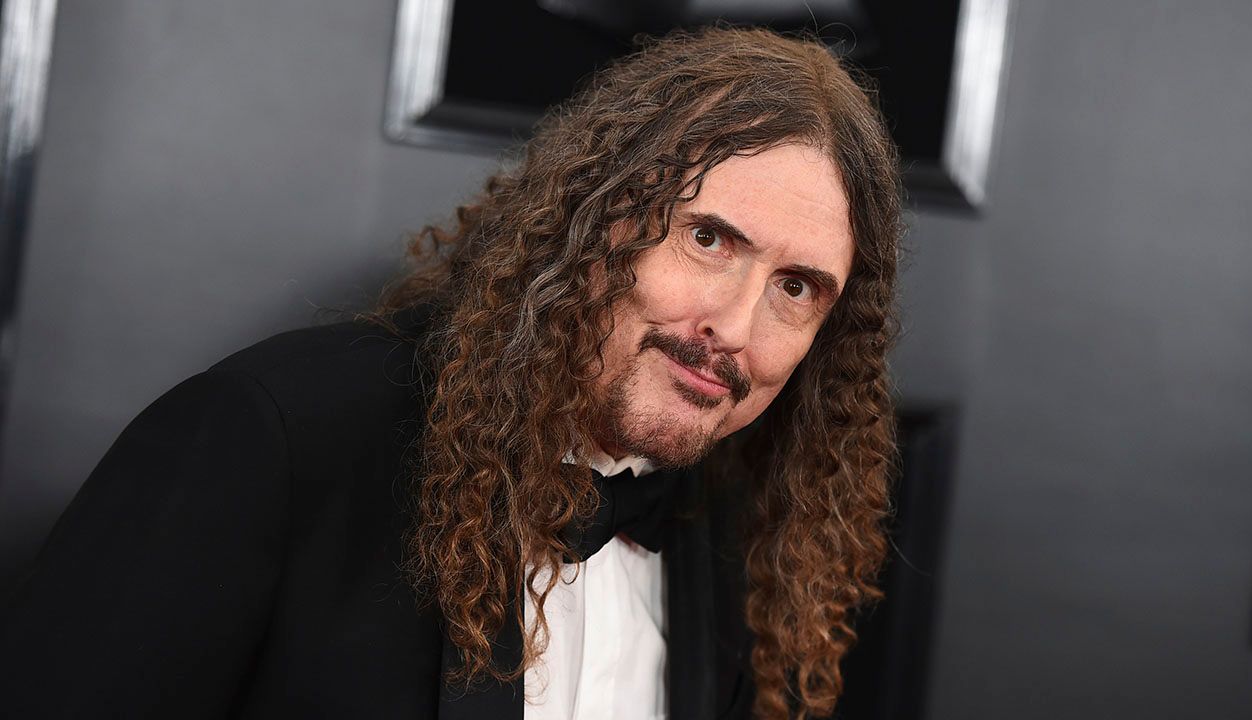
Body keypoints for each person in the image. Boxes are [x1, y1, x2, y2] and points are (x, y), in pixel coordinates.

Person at [0, 26, 902, 720]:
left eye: (795, 287)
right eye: (707, 239)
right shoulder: (267, 438)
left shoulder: (737, 545)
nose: (735, 330)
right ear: (592, 226)